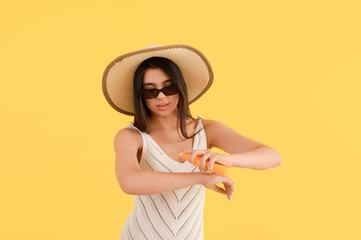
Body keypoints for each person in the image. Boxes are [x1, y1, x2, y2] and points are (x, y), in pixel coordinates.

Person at [102, 44, 281, 240]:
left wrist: (228, 160)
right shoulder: (131, 137)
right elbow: (129, 182)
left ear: (180, 87)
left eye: (168, 87)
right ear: (140, 96)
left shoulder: (206, 130)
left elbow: (272, 156)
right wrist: (200, 178)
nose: (161, 96)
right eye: (150, 91)